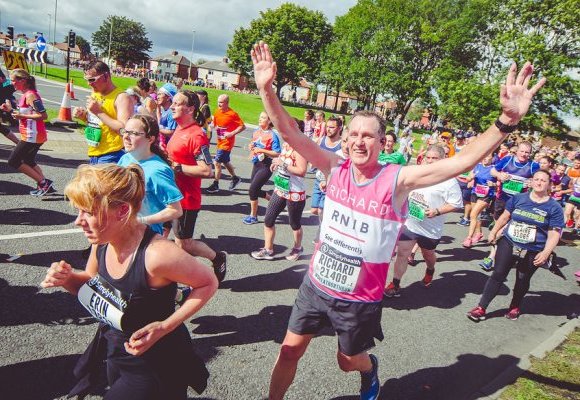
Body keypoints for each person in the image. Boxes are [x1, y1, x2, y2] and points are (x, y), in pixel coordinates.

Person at [251, 41, 545, 400]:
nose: (360, 141)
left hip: (358, 299)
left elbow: (458, 163)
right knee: (288, 350)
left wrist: (505, 123)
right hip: (316, 286)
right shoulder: (333, 166)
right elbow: (289, 133)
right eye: (354, 134)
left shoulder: (397, 179)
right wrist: (266, 89)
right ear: (345, 138)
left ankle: (369, 367)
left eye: (368, 135)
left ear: (381, 141)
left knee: (348, 360)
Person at [40, 164, 217, 399]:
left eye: (88, 212)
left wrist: (165, 326)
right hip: (116, 350)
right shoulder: (102, 241)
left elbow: (208, 282)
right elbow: (92, 283)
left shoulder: (157, 254)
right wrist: (66, 279)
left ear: (122, 211)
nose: (78, 221)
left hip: (156, 362)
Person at [467, 170, 564, 322]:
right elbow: (505, 217)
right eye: (536, 179)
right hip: (509, 241)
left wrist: (546, 252)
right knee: (498, 274)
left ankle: (514, 305)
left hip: (533, 248)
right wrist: (493, 231)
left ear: (549, 185)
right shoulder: (518, 198)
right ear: (531, 182)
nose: (539, 183)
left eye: (543, 181)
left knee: (522, 278)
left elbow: (554, 234)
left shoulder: (554, 207)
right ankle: (481, 307)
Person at [384, 145, 463, 298]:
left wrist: (437, 211)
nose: (431, 161)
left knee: (428, 255)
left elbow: (456, 203)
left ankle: (430, 269)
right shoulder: (417, 173)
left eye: (435, 158)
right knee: (402, 254)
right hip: (411, 223)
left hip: (430, 229)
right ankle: (395, 284)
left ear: (442, 160)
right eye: (429, 157)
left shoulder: (449, 180)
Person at [166, 90, 227, 282]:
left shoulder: (197, 135)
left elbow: (206, 171)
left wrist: (176, 167)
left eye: (178, 103)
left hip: (186, 199)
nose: (173, 106)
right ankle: (167, 278)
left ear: (190, 109)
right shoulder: (178, 127)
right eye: (173, 102)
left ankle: (217, 258)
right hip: (169, 195)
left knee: (185, 244)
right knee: (159, 234)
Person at [250, 118, 308, 262]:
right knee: (268, 219)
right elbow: (281, 160)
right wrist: (275, 164)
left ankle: (297, 247)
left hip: (295, 191)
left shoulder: (300, 148)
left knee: (294, 223)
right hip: (280, 188)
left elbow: (301, 171)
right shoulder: (286, 144)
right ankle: (268, 249)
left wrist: (283, 164)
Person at [118, 114, 183, 236]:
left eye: (134, 133)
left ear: (151, 139)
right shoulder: (125, 158)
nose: (126, 137)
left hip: (144, 234)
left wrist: (140, 221)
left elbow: (175, 210)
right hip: (122, 228)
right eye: (125, 131)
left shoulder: (157, 171)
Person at [480, 141, 540, 270]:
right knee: (496, 228)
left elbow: (540, 181)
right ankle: (500, 256)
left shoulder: (533, 166)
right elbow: (492, 171)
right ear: (517, 151)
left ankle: (491, 257)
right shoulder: (507, 160)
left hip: (519, 203)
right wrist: (499, 175)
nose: (524, 154)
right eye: (522, 151)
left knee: (501, 230)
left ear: (530, 154)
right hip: (502, 199)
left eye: (527, 152)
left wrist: (531, 183)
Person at [1, 68, 55, 195]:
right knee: (28, 160)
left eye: (13, 81)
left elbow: (43, 115)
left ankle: (44, 183)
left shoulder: (31, 95)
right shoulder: (24, 95)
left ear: (23, 81)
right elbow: (23, 114)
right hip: (29, 134)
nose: (11, 83)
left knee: (13, 161)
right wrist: (9, 110)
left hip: (33, 135)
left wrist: (22, 117)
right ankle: (45, 186)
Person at [73, 61, 134, 164]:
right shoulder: (95, 93)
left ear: (106, 76)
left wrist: (98, 112)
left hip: (112, 153)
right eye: (87, 80)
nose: (89, 83)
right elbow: (96, 121)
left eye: (92, 79)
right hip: (94, 152)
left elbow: (124, 130)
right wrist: (83, 115)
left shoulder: (122, 97)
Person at [243, 111, 281, 224]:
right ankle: (272, 199)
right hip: (257, 163)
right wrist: (251, 146)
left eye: (263, 118)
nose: (260, 119)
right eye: (260, 117)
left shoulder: (273, 135)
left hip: (266, 165)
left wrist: (262, 150)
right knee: (254, 189)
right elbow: (254, 143)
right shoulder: (256, 131)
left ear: (269, 121)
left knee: (252, 190)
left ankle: (253, 217)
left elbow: (277, 152)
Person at [206, 94, 246, 193]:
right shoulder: (217, 112)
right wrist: (212, 127)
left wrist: (231, 133)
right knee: (225, 161)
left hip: (227, 143)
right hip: (220, 142)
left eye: (221, 102)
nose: (219, 104)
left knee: (217, 162)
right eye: (218, 102)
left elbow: (242, 126)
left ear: (227, 103)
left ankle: (216, 184)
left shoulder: (232, 114)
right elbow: (214, 125)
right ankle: (235, 178)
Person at [310, 116, 344, 216]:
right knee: (314, 210)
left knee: (322, 211)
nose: (328, 129)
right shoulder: (322, 140)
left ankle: (324, 230)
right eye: (327, 127)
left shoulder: (342, 144)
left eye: (332, 127)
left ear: (339, 128)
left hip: (332, 182)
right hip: (318, 180)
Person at [462, 154, 497, 248]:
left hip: (486, 195)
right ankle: (479, 233)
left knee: (473, 214)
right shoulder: (477, 166)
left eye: (488, 157)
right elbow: (468, 178)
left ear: (492, 158)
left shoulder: (494, 169)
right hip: (475, 192)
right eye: (484, 157)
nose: (485, 159)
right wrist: (471, 178)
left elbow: (499, 183)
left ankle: (469, 238)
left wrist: (493, 184)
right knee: (476, 216)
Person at [156, 83, 178, 152]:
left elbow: (171, 132)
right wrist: (158, 112)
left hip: (170, 148)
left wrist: (156, 128)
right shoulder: (165, 110)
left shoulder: (171, 112)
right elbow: (162, 125)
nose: (157, 97)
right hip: (165, 147)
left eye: (160, 94)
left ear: (168, 97)